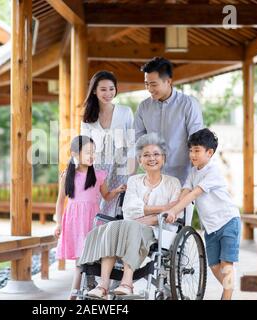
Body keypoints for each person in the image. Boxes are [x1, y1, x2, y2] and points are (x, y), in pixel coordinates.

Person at [77, 133, 181, 299]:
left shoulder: (173, 183)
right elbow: (129, 211)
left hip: (158, 230)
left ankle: (127, 283)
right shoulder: (134, 181)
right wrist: (161, 208)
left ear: (164, 158)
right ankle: (103, 286)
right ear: (140, 160)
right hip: (130, 227)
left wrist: (148, 215)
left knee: (130, 225)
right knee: (111, 226)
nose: (151, 158)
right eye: (146, 155)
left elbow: (173, 213)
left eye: (156, 154)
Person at [164, 128, 241, 300]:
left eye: (197, 150)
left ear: (209, 152)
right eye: (191, 150)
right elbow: (185, 191)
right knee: (214, 266)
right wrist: (174, 210)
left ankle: (226, 295)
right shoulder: (193, 172)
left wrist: (174, 210)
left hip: (228, 221)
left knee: (226, 265)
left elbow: (194, 194)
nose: (192, 154)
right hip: (211, 228)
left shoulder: (213, 171)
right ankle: (230, 286)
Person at [54, 135, 127, 300]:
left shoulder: (99, 175)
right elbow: (60, 202)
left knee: (91, 255)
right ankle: (79, 290)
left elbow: (106, 196)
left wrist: (117, 191)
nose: (92, 155)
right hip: (74, 221)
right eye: (87, 152)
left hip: (92, 220)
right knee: (80, 258)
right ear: (74, 153)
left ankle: (86, 287)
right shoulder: (67, 175)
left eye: (93, 152)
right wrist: (58, 224)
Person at [134, 57, 203, 185]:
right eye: (146, 84)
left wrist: (196, 177)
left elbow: (197, 140)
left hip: (182, 179)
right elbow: (138, 139)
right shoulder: (143, 107)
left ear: (168, 81)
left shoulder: (188, 104)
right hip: (152, 179)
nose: (149, 89)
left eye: (154, 84)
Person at [81, 70, 135, 217]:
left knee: (116, 206)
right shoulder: (88, 116)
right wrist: (76, 168)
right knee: (95, 207)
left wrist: (132, 172)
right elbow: (83, 146)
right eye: (103, 89)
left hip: (121, 166)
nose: (108, 93)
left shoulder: (125, 112)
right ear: (94, 91)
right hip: (96, 167)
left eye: (111, 89)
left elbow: (132, 144)